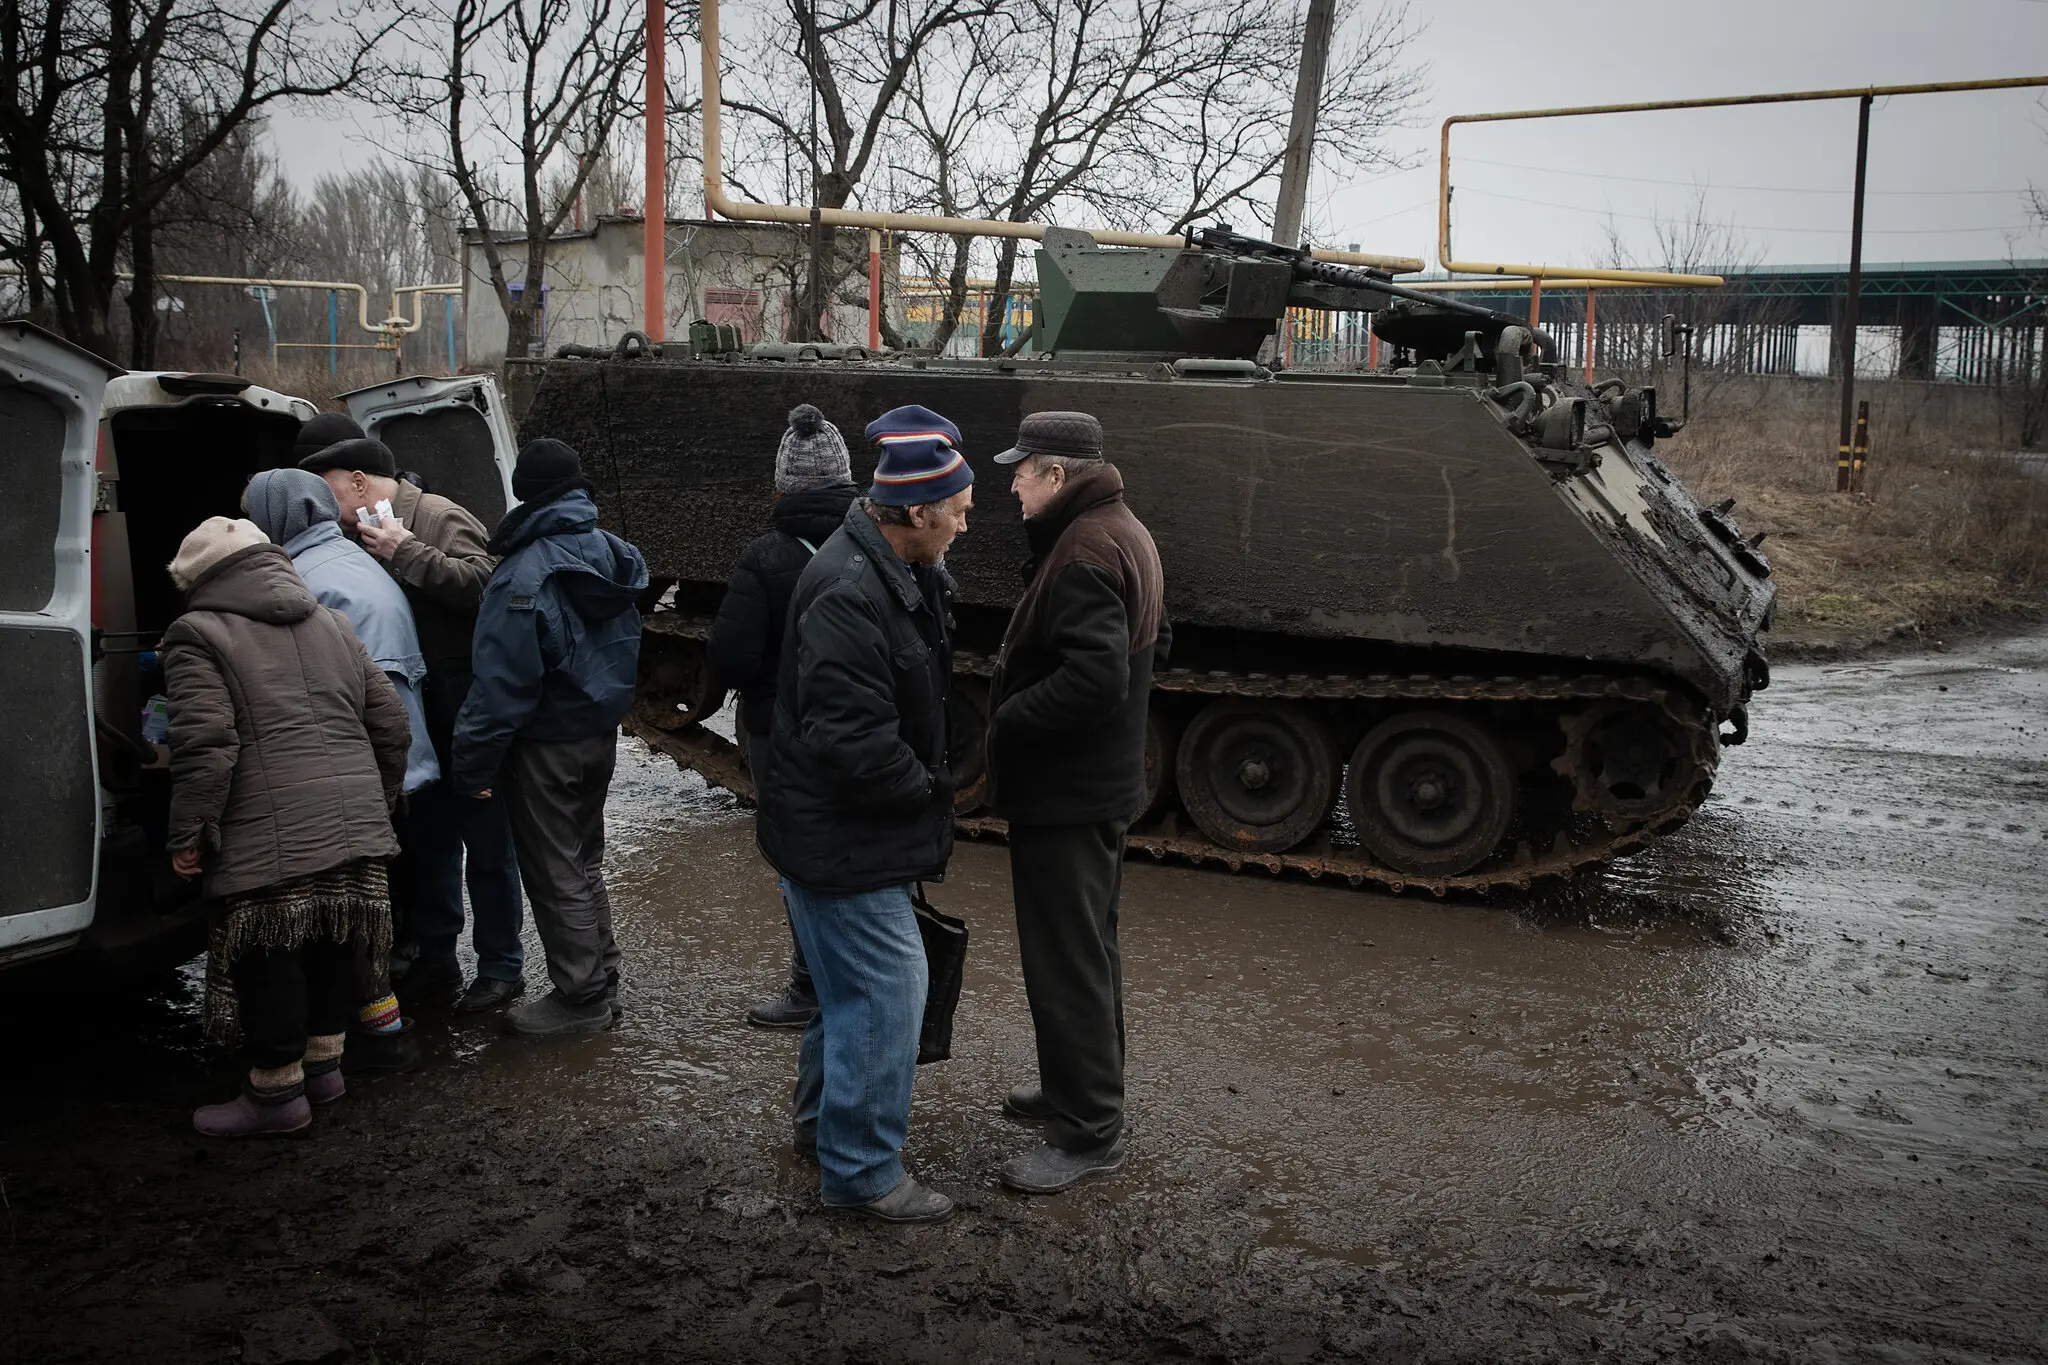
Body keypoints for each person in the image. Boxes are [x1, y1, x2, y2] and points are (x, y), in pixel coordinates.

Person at [755, 404, 973, 1225]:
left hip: (838, 833)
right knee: (887, 992)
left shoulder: (894, 568)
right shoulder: (851, 590)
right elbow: (853, 742)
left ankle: (822, 1131)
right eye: (956, 506)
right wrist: (931, 788)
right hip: (844, 838)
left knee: (850, 993)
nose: (966, 517)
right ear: (915, 513)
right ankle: (862, 1171)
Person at [161, 517, 411, 1137]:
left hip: (265, 828)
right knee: (332, 942)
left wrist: (188, 832)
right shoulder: (332, 622)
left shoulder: (196, 632)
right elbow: (393, 725)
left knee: (268, 954)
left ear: (199, 581)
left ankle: (275, 1097)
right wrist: (373, 802)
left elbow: (207, 743)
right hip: (354, 822)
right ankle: (325, 1073)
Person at [986, 410, 1167, 1195]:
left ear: (1057, 474)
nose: (1012, 483)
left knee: (1066, 962)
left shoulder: (1088, 546)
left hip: (1069, 790)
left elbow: (1096, 679)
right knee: (1088, 949)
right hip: (1098, 783)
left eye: (1022, 470)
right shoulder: (1120, 526)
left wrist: (1008, 719)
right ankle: (1077, 1088)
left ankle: (1089, 1130)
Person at [298, 432, 525, 1015]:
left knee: (489, 849)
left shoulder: (436, 516)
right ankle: (437, 958)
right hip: (419, 719)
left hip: (469, 715)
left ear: (355, 480)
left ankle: (501, 969)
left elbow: (489, 588)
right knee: (430, 845)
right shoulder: (350, 534)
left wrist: (407, 552)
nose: (323, 506)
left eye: (326, 489)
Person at [451, 439, 647, 1038]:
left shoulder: (522, 569)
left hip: (543, 744)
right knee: (583, 858)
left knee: (553, 866)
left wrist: (472, 765)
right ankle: (600, 977)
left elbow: (502, 684)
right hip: (597, 731)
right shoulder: (612, 551)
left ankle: (581, 995)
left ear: (524, 494)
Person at [245, 467, 437, 1068]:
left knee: (350, 927)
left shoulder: (305, 582)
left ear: (277, 518)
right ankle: (383, 1027)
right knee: (377, 919)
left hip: (365, 782)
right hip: (401, 771)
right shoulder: (356, 563)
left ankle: (366, 1041)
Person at [707, 404, 860, 1030]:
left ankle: (808, 984)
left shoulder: (766, 557)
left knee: (798, 854)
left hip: (781, 731)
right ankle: (858, 973)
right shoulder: (873, 542)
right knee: (856, 848)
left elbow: (732, 653)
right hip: (860, 728)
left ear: (782, 487)